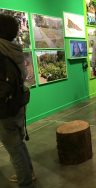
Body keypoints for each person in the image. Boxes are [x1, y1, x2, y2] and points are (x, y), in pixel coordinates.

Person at [0, 14, 35, 188]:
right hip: (18, 103)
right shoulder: (14, 50)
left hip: (6, 108)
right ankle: (29, 173)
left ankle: (25, 181)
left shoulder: (1, 52)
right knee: (18, 143)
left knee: (13, 148)